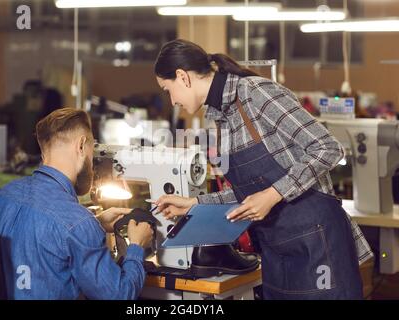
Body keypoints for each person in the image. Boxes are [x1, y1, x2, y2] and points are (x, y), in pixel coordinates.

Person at [153, 39, 373, 300]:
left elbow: (328, 148)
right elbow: (250, 194)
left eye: (167, 90)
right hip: (276, 252)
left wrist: (273, 195)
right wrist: (194, 204)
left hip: (317, 243)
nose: (172, 100)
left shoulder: (255, 93)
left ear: (182, 77)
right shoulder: (218, 117)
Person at [0, 107, 153, 299]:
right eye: (91, 154)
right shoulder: (78, 224)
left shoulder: (5, 196)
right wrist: (137, 246)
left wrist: (95, 223)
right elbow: (119, 295)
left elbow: (42, 232)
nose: (92, 163)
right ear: (81, 146)